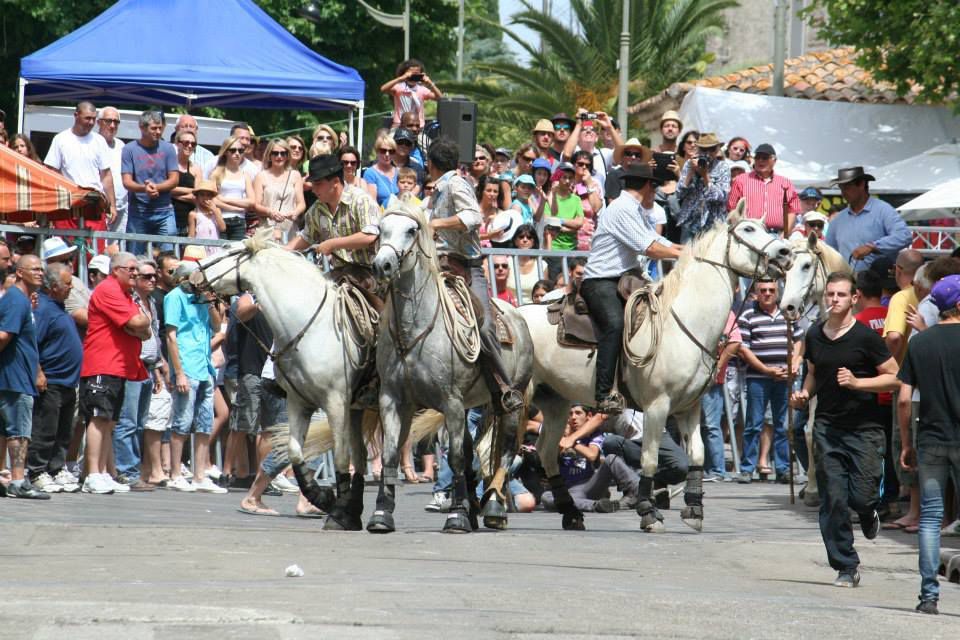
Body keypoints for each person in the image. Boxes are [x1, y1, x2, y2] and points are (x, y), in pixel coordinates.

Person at [792, 272, 900, 588]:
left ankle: (868, 513)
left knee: (862, 497)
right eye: (830, 294)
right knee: (833, 499)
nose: (834, 300)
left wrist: (858, 383)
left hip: (865, 429)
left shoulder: (866, 337)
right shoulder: (814, 335)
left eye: (841, 295)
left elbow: (895, 377)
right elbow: (813, 374)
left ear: (854, 298)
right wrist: (804, 395)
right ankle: (845, 565)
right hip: (827, 427)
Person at [425, 138, 523, 413]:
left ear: (430, 164)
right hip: (439, 267)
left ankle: (503, 386)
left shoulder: (455, 184)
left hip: (467, 269)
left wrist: (435, 223)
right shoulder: (441, 188)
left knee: (482, 325)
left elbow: (472, 217)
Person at [581, 165, 683, 413]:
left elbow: (658, 240)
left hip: (623, 280)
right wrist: (687, 254)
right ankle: (603, 393)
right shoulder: (623, 209)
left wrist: (688, 251)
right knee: (615, 324)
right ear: (648, 186)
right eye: (655, 188)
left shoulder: (632, 208)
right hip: (600, 281)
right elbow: (649, 247)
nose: (655, 194)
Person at [897, 274, 960, 614]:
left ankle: (928, 596)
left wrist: (906, 443)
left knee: (931, 518)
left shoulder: (919, 343)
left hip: (931, 437)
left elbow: (904, 398)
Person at [79, 252, 152, 495]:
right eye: (130, 269)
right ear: (116, 270)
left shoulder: (126, 294)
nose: (135, 273)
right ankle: (92, 474)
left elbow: (145, 329)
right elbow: (138, 323)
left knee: (109, 422)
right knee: (98, 418)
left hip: (118, 365)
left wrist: (139, 325)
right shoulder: (108, 289)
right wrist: (138, 325)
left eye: (136, 270)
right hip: (103, 363)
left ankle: (105, 472)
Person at [164, 262, 225, 493]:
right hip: (187, 366)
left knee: (204, 423)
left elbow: (217, 326)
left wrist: (210, 302)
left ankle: (199, 475)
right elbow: (171, 336)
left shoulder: (201, 299)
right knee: (182, 421)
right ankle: (176, 473)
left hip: (205, 366)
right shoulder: (174, 296)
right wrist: (178, 372)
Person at [736, 278, 803, 483]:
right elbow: (743, 349)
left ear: (777, 292)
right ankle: (747, 468)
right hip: (758, 377)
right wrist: (766, 369)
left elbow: (799, 340)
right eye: (763, 290)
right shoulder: (748, 315)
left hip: (784, 376)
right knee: (753, 424)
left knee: (783, 424)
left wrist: (794, 363)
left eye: (771, 290)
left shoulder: (788, 313)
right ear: (756, 292)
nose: (767, 294)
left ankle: (782, 468)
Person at [285, 155, 381, 299]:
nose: (313, 189)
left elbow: (369, 236)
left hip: (370, 273)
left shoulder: (361, 200)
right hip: (339, 274)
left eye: (318, 183)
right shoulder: (316, 209)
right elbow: (306, 237)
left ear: (335, 181)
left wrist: (332, 244)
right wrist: (280, 252)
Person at [27, 263, 84, 494]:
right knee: (45, 429)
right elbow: (33, 344)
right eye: (67, 284)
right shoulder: (42, 309)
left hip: (68, 381)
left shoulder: (60, 307)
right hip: (51, 381)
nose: (71, 288)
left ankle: (55, 467)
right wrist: (38, 372)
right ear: (52, 286)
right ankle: (37, 470)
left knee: (64, 430)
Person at [112, 258, 165, 490]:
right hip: (132, 364)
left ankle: (133, 470)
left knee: (141, 423)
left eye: (154, 276)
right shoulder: (130, 300)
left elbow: (155, 335)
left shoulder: (151, 302)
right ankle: (126, 471)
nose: (152, 280)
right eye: (146, 276)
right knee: (128, 422)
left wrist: (158, 369)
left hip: (148, 367)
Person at [0, 255, 47, 499]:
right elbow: (4, 336)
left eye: (42, 269)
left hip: (15, 376)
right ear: (19, 272)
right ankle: (18, 481)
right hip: (14, 378)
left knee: (5, 431)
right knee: (19, 432)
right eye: (35, 269)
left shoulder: (22, 301)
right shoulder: (17, 301)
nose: (41, 273)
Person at [540, 404, 641, 513]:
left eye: (578, 413)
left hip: (589, 486)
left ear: (588, 416)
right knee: (546, 497)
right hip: (568, 490)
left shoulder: (594, 435)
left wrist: (571, 442)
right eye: (570, 414)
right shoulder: (561, 436)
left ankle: (642, 491)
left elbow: (592, 455)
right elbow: (548, 459)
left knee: (611, 459)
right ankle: (598, 505)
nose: (573, 417)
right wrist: (562, 438)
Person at [44, 101, 117, 233]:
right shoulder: (61, 139)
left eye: (94, 119)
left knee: (95, 250)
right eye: (87, 118)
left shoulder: (99, 141)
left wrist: (112, 205)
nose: (91, 122)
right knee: (68, 249)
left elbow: (106, 176)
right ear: (76, 115)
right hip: (68, 204)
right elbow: (51, 172)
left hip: (94, 204)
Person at [824, 167, 913, 272]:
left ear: (861, 184)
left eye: (847, 187)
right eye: (841, 188)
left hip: (880, 283)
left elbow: (904, 236)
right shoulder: (838, 220)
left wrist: (873, 247)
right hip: (849, 283)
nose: (843, 193)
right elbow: (828, 251)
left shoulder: (883, 210)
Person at [121, 110, 179, 255]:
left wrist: (156, 187)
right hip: (138, 212)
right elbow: (127, 182)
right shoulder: (129, 149)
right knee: (136, 257)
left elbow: (174, 179)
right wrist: (144, 188)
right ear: (142, 128)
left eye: (160, 128)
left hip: (164, 211)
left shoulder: (169, 148)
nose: (158, 132)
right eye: (154, 128)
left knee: (169, 256)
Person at [726, 143, 800, 237]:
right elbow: (732, 208)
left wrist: (785, 235)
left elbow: (793, 211)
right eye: (757, 157)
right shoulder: (741, 180)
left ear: (774, 160)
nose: (760, 160)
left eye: (765, 158)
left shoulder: (786, 183)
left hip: (776, 235)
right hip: (748, 235)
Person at [675, 132, 731, 242]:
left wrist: (705, 176)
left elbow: (721, 197)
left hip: (713, 224)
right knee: (686, 258)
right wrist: (691, 171)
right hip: (689, 222)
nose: (708, 153)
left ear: (718, 149)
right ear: (698, 149)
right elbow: (679, 194)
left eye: (712, 149)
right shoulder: (689, 164)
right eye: (704, 150)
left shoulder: (723, 167)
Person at [252, 138, 306, 240]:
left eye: (283, 153)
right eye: (275, 153)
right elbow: (256, 205)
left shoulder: (295, 175)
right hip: (267, 229)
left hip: (289, 230)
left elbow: (301, 203)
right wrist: (270, 212)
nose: (279, 156)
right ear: (269, 155)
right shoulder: (261, 176)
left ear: (287, 155)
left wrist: (295, 213)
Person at [210, 136, 254, 241]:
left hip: (239, 222)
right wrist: (234, 208)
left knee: (236, 254)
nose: (237, 153)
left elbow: (252, 202)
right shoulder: (216, 174)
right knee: (219, 253)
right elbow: (212, 200)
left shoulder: (245, 175)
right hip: (219, 219)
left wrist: (225, 199)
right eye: (233, 150)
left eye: (240, 150)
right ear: (225, 152)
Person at [381, 58, 442, 129]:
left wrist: (430, 83)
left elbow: (440, 98)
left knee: (426, 140)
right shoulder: (398, 88)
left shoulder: (422, 90)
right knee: (389, 139)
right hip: (399, 125)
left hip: (418, 127)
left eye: (416, 75)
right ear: (404, 73)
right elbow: (383, 89)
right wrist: (400, 79)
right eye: (411, 74)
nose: (413, 77)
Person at [96, 107, 129, 236]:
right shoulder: (92, 143)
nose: (112, 125)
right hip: (100, 207)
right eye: (108, 121)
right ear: (99, 122)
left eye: (116, 122)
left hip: (122, 207)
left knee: (117, 248)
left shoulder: (121, 145)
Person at [170, 129, 204, 237]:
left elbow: (198, 197)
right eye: (186, 143)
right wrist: (192, 190)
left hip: (188, 222)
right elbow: (165, 189)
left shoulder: (196, 169)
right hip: (169, 218)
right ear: (177, 143)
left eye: (193, 144)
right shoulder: (169, 165)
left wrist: (173, 193)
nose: (189, 146)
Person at [571, 149, 602, 250]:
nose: (584, 167)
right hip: (568, 239)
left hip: (588, 242)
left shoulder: (594, 185)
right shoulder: (567, 184)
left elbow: (596, 208)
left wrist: (589, 184)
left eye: (587, 165)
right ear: (573, 165)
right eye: (580, 164)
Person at [605, 138, 652, 204]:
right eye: (629, 153)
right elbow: (612, 203)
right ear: (622, 156)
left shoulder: (644, 177)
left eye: (637, 155)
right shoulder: (614, 175)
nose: (633, 157)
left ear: (640, 158)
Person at [188, 180, 226, 254]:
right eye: (202, 195)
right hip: (200, 250)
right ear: (197, 197)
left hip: (215, 248)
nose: (205, 198)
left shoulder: (217, 211)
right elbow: (191, 236)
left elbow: (223, 228)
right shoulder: (193, 214)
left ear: (212, 197)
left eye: (208, 195)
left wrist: (214, 211)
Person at [362, 133, 399, 208]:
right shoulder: (370, 173)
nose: (387, 154)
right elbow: (372, 202)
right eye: (383, 151)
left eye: (391, 151)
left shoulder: (399, 172)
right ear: (377, 151)